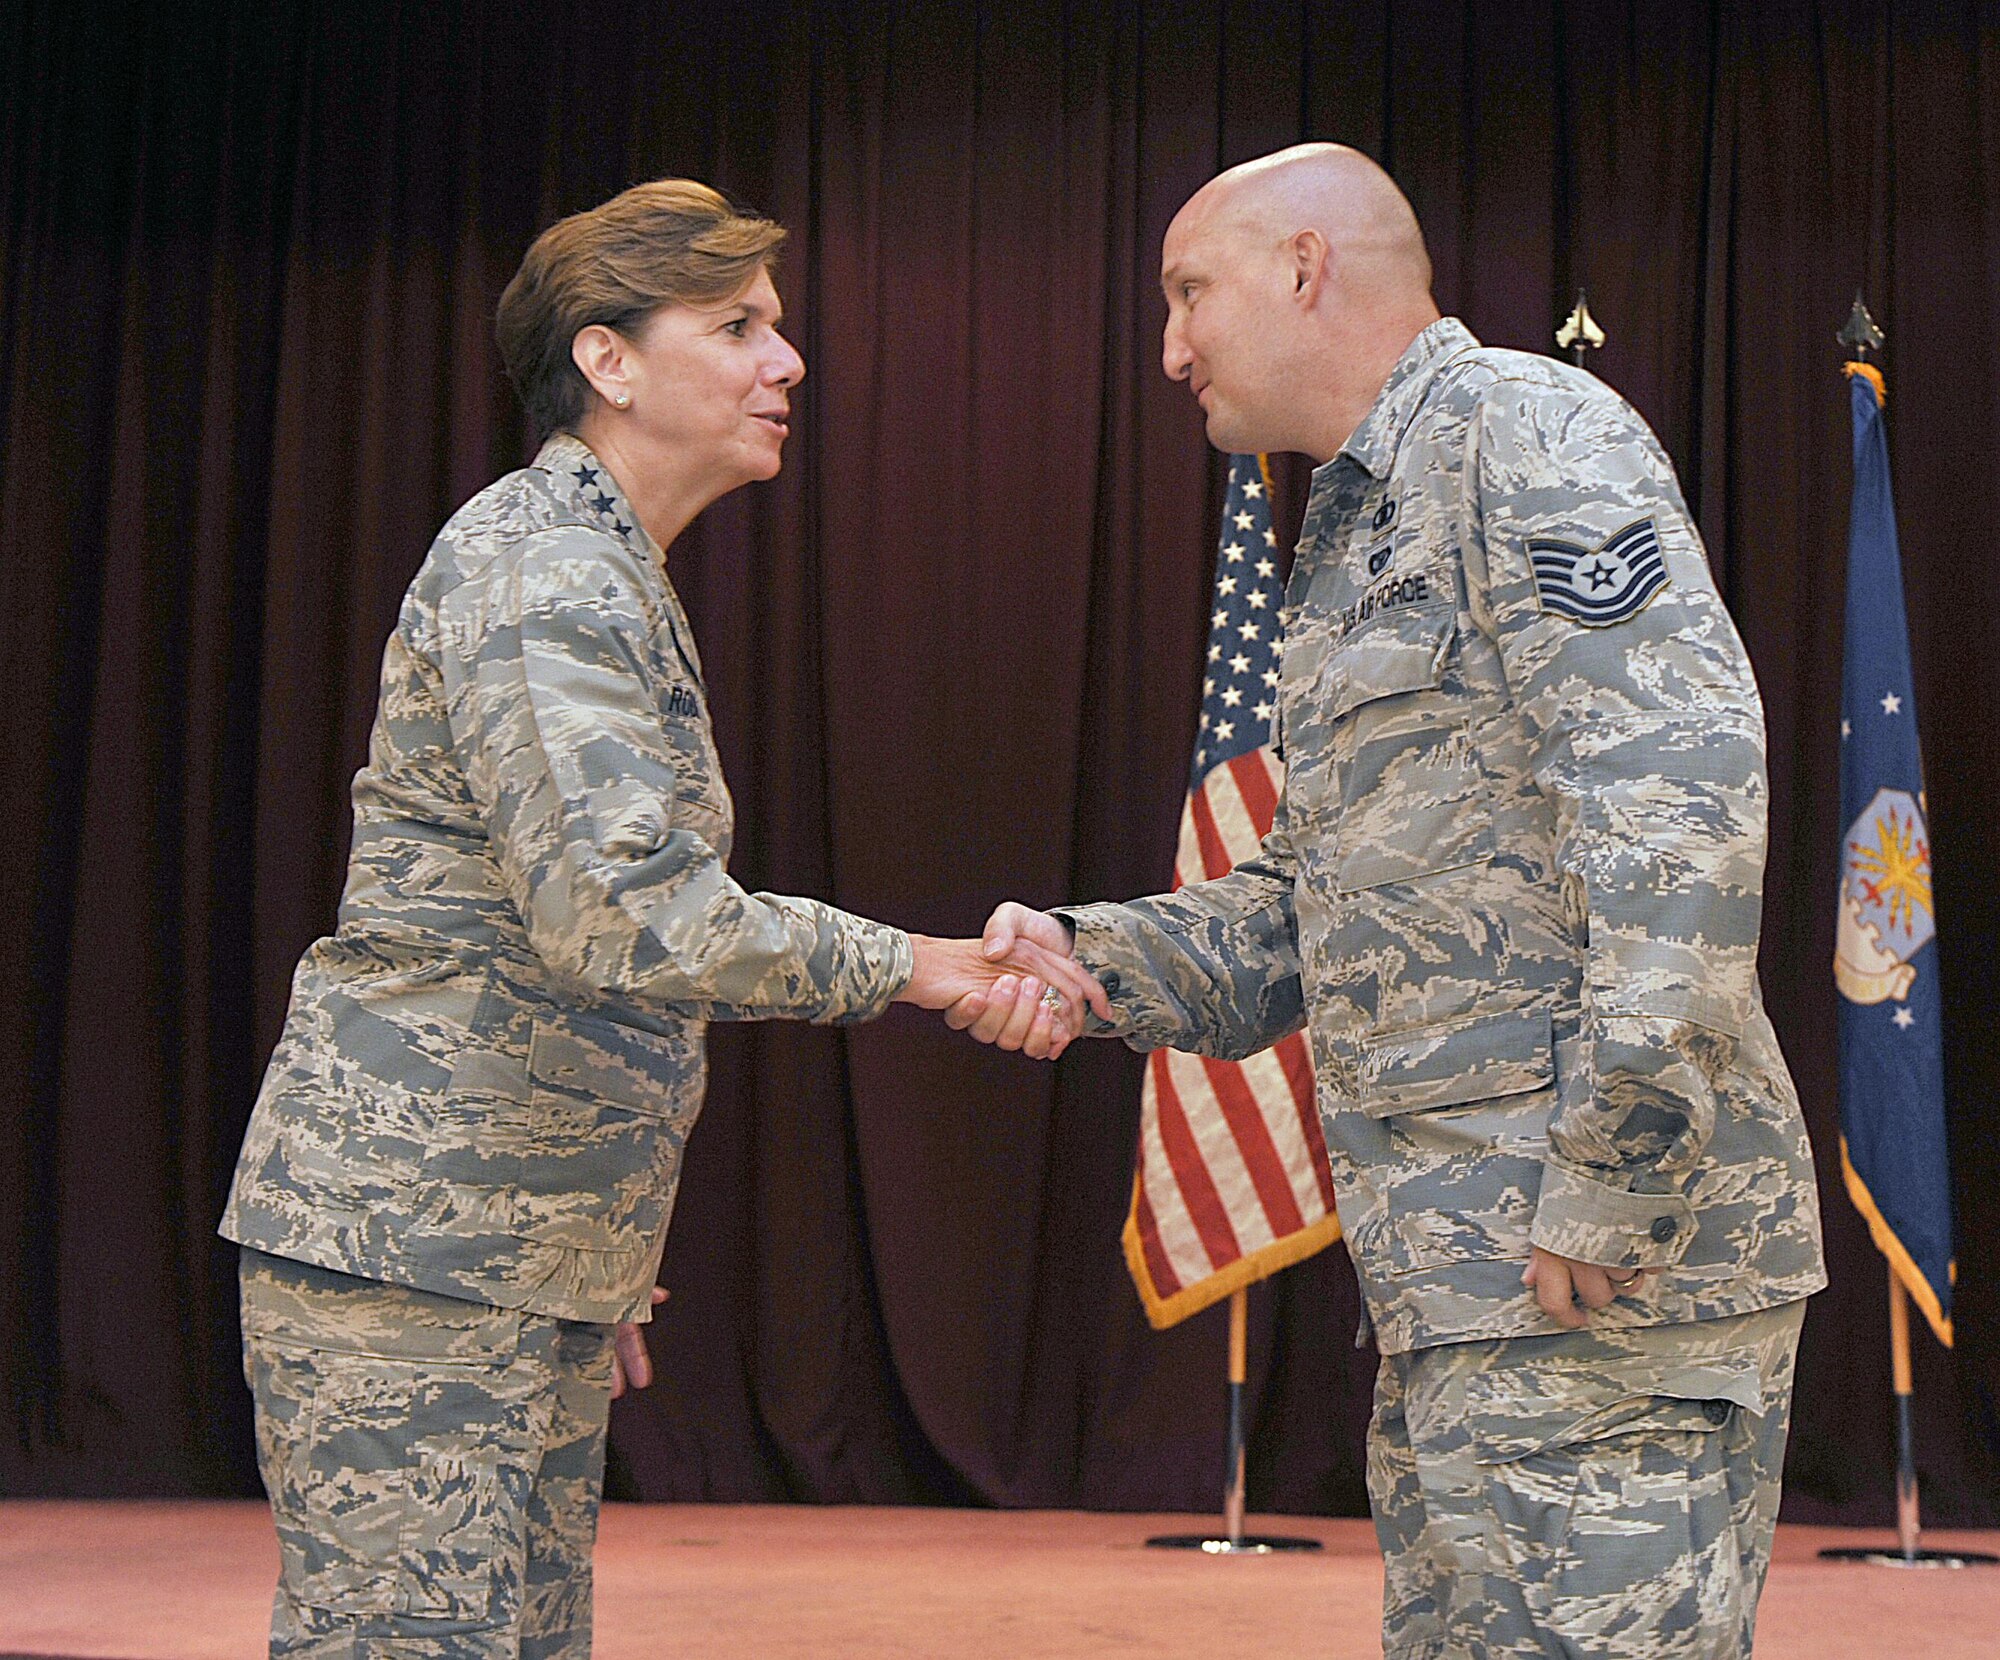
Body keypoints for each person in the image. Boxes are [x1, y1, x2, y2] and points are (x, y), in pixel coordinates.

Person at [952, 144, 1826, 1657]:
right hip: (1463, 1290)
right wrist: (1088, 961)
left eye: (1187, 293)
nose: (1168, 347)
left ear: (1303, 267)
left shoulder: (1524, 432)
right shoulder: (1353, 526)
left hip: (1598, 1277)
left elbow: (1680, 809)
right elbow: (1313, 907)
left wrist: (1612, 1172)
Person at [220, 178, 1101, 1660]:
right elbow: (626, 921)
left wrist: (593, 1246)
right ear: (608, 361)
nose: (788, 361)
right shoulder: (545, 565)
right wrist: (929, 969)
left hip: (511, 1249)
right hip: (418, 1259)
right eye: (738, 324)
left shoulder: (607, 563)